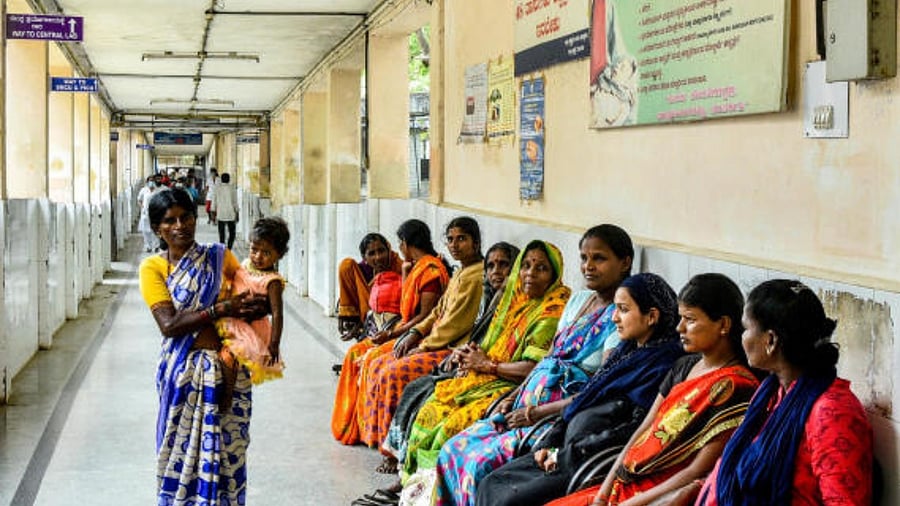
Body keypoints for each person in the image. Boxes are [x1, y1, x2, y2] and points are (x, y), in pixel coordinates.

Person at [434, 225, 640, 506]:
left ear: (625, 262)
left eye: (599, 259)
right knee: (451, 450)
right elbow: (549, 357)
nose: (588, 267)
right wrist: (512, 397)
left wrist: (535, 412)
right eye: (584, 258)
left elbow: (598, 388)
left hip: (552, 421)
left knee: (478, 466)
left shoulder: (621, 318)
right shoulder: (580, 300)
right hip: (524, 405)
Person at [545, 273, 760, 506]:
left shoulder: (737, 388)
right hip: (627, 481)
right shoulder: (684, 366)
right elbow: (643, 431)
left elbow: (697, 471)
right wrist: (603, 494)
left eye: (690, 319)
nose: (680, 328)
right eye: (680, 318)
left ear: (724, 325)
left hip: (663, 495)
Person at [398, 240, 573, 505]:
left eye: (541, 268)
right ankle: (414, 485)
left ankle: (437, 495)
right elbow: (490, 344)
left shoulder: (553, 309)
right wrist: (468, 355)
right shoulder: (515, 300)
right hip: (488, 375)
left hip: (514, 384)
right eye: (526, 266)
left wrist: (487, 366)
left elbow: (534, 367)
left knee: (450, 426)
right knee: (429, 406)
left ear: (554, 274)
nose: (529, 273)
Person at [138, 188, 269, 504]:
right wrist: (220, 310)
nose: (180, 225)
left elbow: (254, 300)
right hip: (182, 371)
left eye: (186, 217)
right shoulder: (153, 268)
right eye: (170, 220)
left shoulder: (219, 256)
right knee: (182, 454)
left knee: (227, 452)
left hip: (228, 370)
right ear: (158, 228)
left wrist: (256, 304)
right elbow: (169, 325)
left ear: (196, 219)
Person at [695, 279, 873, 506]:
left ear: (770, 340)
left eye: (746, 328)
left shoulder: (831, 411)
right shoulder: (772, 394)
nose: (742, 336)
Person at [359, 217, 489, 468]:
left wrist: (424, 345)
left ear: (475, 242)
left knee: (393, 373)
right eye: (450, 239)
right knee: (379, 362)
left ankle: (394, 452)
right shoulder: (461, 271)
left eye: (461, 239)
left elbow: (456, 322)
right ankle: (377, 438)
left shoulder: (475, 276)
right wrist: (415, 333)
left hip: (450, 348)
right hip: (433, 340)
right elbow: (438, 311)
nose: (454, 245)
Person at [332, 219, 450, 445]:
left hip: (418, 334)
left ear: (404, 243)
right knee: (354, 354)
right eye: (371, 254)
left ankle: (379, 436)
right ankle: (353, 425)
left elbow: (425, 317)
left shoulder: (431, 271)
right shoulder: (414, 267)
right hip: (403, 330)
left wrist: (395, 335)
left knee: (375, 362)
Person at [217, 216, 290, 388]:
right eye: (254, 249)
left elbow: (278, 313)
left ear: (278, 255)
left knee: (229, 359)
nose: (257, 256)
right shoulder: (245, 263)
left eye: (266, 253)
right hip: (231, 318)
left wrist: (274, 344)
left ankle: (227, 394)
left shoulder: (272, 281)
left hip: (249, 329)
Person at [337, 233, 404, 341]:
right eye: (372, 253)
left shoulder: (398, 265)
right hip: (366, 314)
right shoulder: (363, 269)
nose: (378, 257)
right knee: (346, 265)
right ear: (365, 258)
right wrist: (344, 314)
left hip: (391, 317)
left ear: (388, 250)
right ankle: (354, 320)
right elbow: (351, 293)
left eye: (381, 251)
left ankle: (362, 325)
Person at [212, 172, 238, 249]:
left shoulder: (217, 188)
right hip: (230, 214)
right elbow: (235, 202)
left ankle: (222, 248)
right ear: (229, 179)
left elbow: (214, 201)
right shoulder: (232, 188)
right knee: (232, 233)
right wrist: (237, 212)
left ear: (221, 179)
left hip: (220, 214)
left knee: (221, 234)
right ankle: (229, 248)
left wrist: (213, 212)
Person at [137, 175, 160, 252]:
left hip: (154, 212)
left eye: (152, 180)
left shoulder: (157, 191)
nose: (151, 182)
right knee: (145, 231)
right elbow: (139, 200)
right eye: (150, 180)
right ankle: (148, 246)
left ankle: (156, 245)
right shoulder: (143, 190)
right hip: (145, 213)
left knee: (154, 230)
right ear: (147, 182)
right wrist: (142, 207)